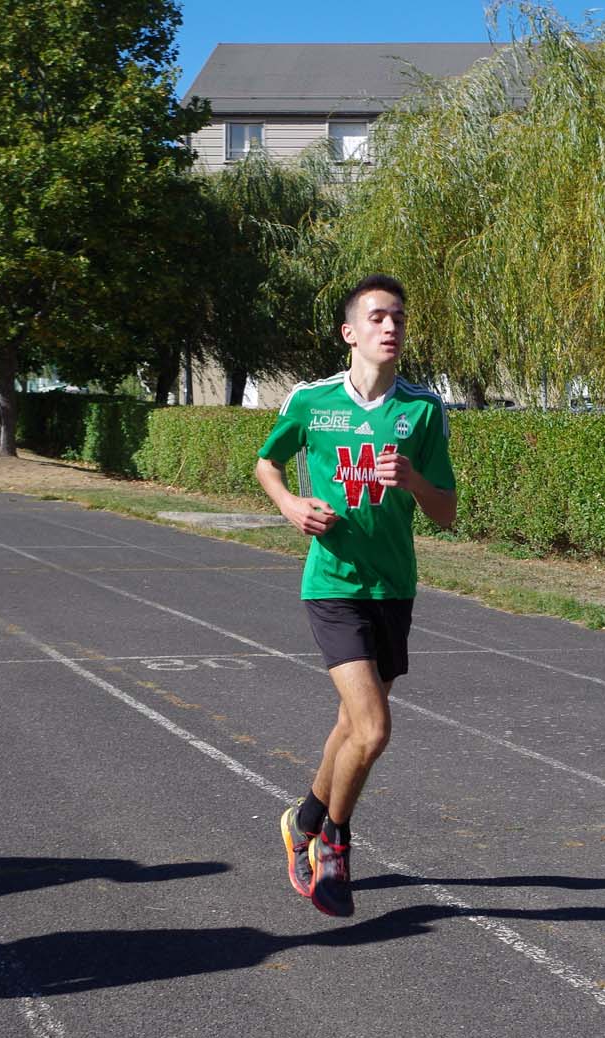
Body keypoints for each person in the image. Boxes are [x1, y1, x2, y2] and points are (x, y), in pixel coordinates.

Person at [254, 274, 457, 917]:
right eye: (377, 317)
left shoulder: (422, 409)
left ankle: (303, 821)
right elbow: (268, 463)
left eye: (398, 317)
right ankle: (335, 846)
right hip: (333, 584)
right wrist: (290, 505)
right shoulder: (313, 401)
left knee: (349, 726)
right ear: (350, 333)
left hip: (392, 586)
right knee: (372, 729)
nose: (390, 327)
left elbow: (447, 511)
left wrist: (414, 479)